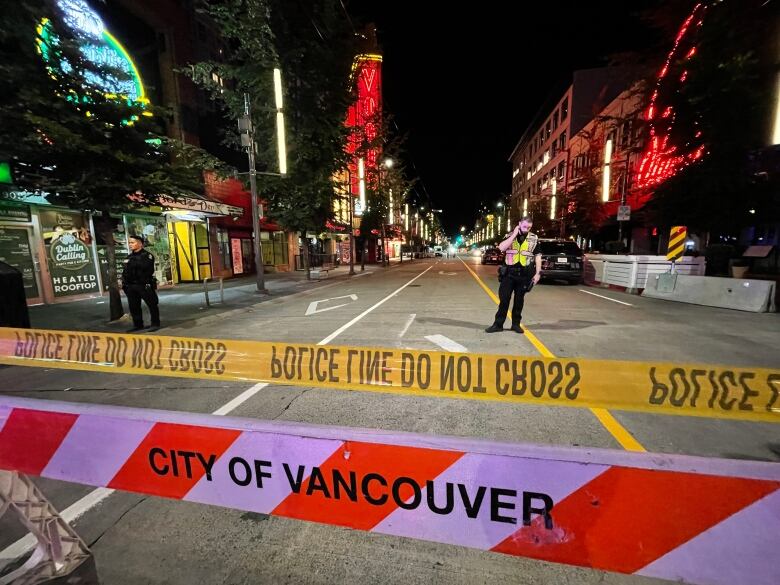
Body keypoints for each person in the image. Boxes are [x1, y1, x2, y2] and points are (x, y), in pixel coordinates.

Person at [485, 215, 541, 334]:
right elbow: (502, 248)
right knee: (504, 299)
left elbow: (538, 256)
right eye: (525, 226)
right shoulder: (509, 235)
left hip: (524, 274)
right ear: (519, 223)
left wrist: (538, 274)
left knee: (519, 301)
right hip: (509, 274)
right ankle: (498, 324)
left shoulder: (534, 238)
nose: (527, 229)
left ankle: (515, 324)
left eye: (529, 227)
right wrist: (514, 234)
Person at [122, 235, 160, 332]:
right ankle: (138, 325)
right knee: (134, 306)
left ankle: (155, 323)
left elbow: (147, 270)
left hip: (143, 285)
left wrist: (142, 281)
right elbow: (125, 271)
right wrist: (124, 283)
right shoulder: (129, 257)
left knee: (152, 304)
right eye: (129, 242)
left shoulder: (147, 256)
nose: (130, 244)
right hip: (131, 286)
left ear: (140, 244)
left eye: (132, 242)